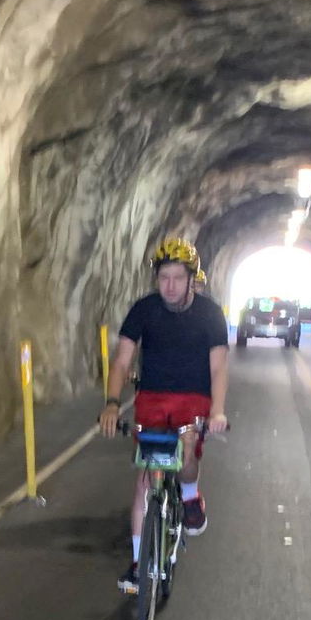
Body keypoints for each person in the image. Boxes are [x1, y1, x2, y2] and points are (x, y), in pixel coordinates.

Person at [97, 237, 230, 593]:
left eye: (177, 277)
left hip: (194, 398)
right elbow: (123, 361)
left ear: (191, 279)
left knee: (186, 450)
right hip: (152, 399)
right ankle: (140, 562)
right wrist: (112, 402)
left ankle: (188, 494)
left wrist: (216, 410)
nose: (169, 286)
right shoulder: (144, 309)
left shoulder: (209, 314)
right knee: (146, 476)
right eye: (163, 278)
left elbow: (218, 369)